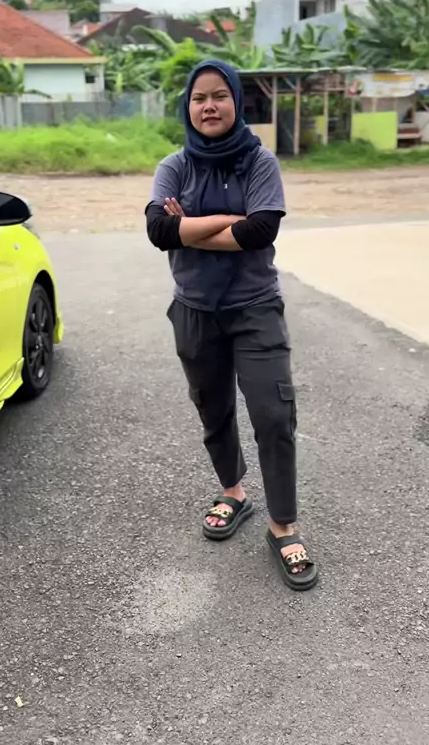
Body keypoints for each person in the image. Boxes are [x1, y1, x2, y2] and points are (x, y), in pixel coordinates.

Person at [145, 59, 318, 591]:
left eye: (219, 95)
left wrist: (190, 226)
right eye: (199, 98)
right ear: (188, 106)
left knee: (273, 412)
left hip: (255, 307)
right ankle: (234, 493)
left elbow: (260, 231)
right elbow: (158, 231)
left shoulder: (259, 162)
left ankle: (282, 525)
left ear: (237, 102)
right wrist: (227, 220)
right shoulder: (174, 166)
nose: (209, 106)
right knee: (212, 407)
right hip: (194, 310)